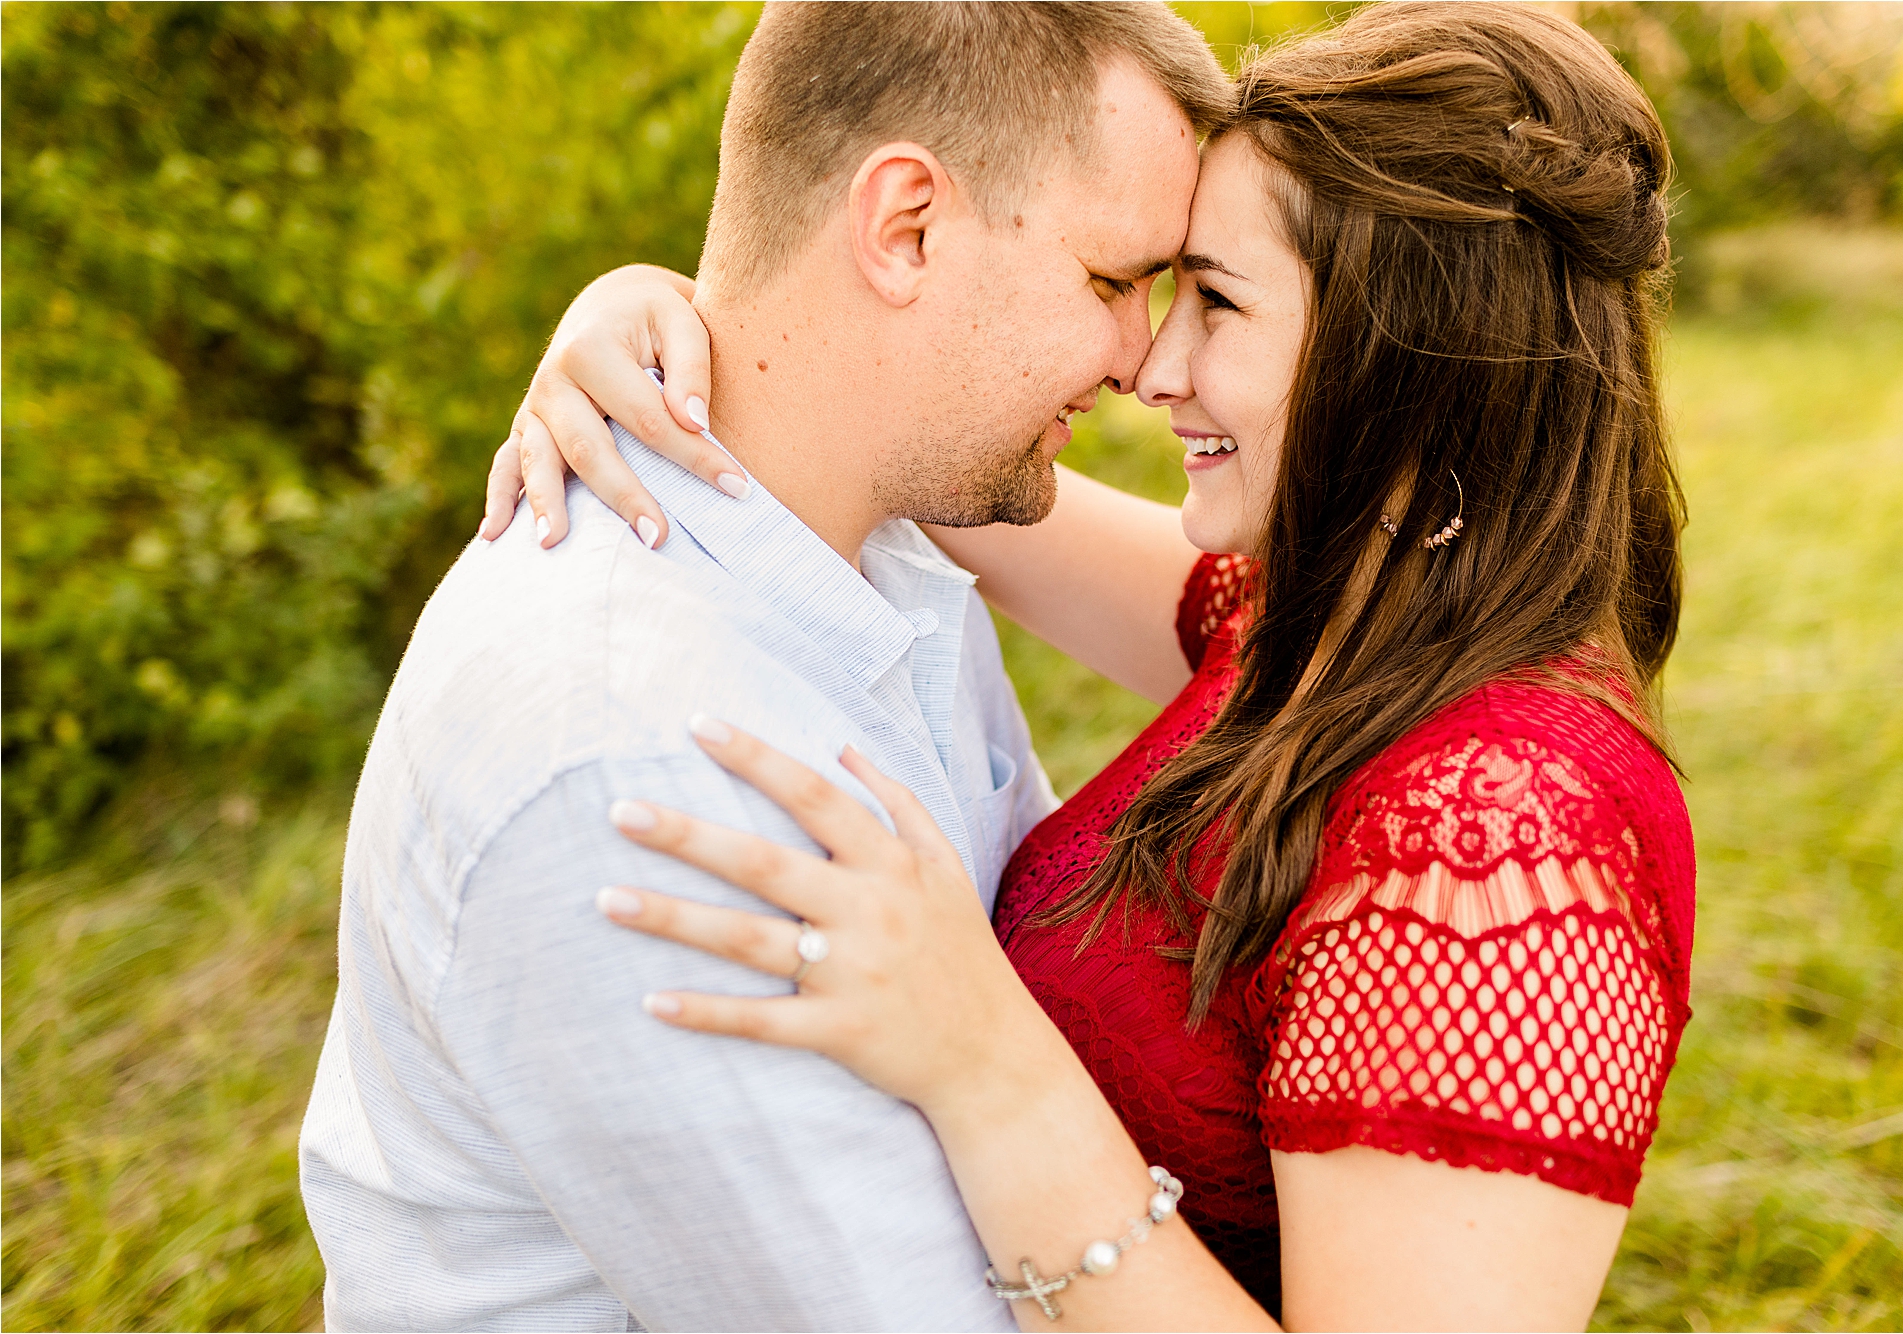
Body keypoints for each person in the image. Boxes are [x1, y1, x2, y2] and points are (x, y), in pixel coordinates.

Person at [487, 3, 1697, 1330]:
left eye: (1217, 302)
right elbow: (892, 424)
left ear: (1415, 363)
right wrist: (655, 320)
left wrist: (987, 1066)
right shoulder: (1334, 619)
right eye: (1152, 289)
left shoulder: (1511, 839)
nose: (1153, 363)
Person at [297, 5, 1234, 1329]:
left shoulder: (880, 557)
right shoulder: (632, 757)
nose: (1145, 358)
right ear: (903, 226)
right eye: (1110, 282)